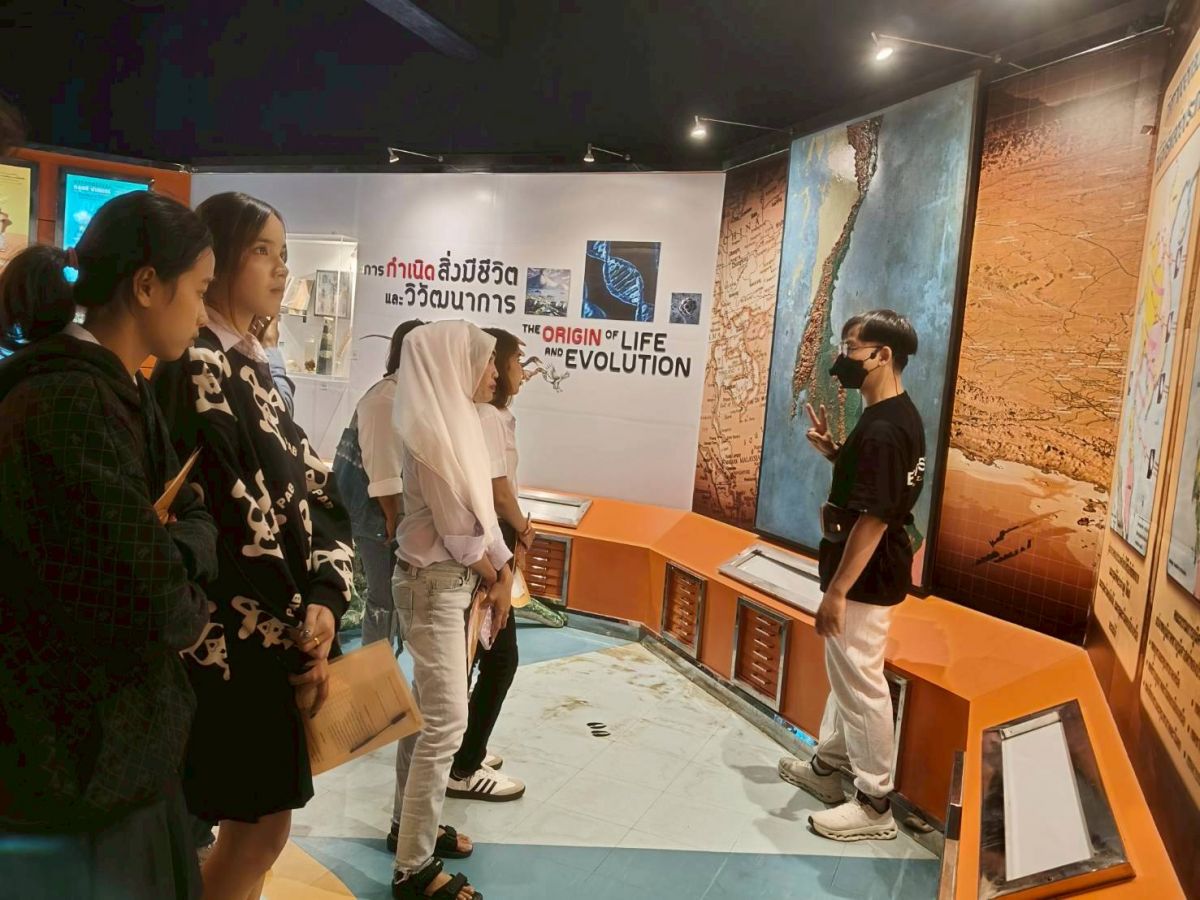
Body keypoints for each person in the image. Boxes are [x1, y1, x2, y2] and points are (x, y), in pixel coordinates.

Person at [0, 191, 218, 898]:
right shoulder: (69, 403)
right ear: (148, 285)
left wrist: (178, 552)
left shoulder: (118, 390)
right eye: (200, 290)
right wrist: (185, 581)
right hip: (75, 770)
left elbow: (194, 513)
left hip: (114, 765)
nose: (203, 313)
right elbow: (161, 605)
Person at [154, 191, 353, 899]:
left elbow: (317, 490)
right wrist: (302, 634)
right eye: (262, 250)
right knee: (255, 829)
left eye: (283, 253)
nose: (279, 268)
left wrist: (327, 599)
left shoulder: (252, 364)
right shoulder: (200, 364)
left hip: (274, 640)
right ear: (217, 257)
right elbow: (230, 520)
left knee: (260, 832)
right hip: (232, 648)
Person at [777, 309, 925, 843]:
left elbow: (876, 517)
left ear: (882, 356)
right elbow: (880, 488)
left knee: (862, 685)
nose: (841, 359)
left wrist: (837, 591)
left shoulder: (885, 428)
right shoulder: (895, 414)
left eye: (850, 348)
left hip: (865, 575)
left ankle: (874, 803)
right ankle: (828, 768)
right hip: (871, 568)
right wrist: (837, 455)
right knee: (848, 677)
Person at [390, 320, 508, 900]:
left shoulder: (457, 423)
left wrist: (502, 571)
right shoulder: (431, 435)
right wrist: (496, 574)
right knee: (446, 724)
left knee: (424, 717)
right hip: (434, 586)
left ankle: (407, 828)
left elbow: (482, 519)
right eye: (486, 360)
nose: (495, 372)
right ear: (455, 365)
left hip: (447, 586)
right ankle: (413, 868)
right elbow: (461, 532)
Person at [445, 327, 532, 802]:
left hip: (491, 548)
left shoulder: (488, 415)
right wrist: (521, 530)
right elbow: (497, 493)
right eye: (512, 361)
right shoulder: (486, 417)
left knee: (482, 654)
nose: (515, 372)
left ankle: (463, 748)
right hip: (488, 550)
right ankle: (463, 766)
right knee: (498, 658)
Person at [333, 319, 425, 651]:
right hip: (377, 515)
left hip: (391, 514)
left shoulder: (406, 395)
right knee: (382, 599)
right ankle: (375, 671)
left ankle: (382, 665)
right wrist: (393, 517)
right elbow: (383, 470)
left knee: (390, 598)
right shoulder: (386, 398)